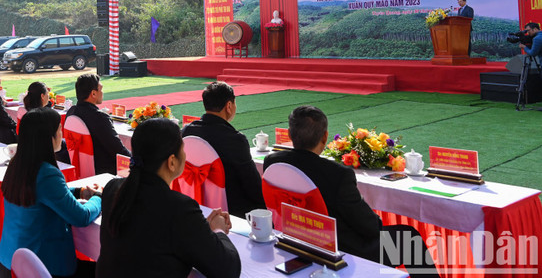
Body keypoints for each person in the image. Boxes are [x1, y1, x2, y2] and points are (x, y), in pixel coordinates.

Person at [263, 106, 439, 277]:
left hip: (294, 236)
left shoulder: (272, 161)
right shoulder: (338, 174)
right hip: (340, 249)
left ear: (290, 133)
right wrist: (376, 223)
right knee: (408, 238)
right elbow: (369, 227)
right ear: (325, 137)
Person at [97, 118, 241, 278]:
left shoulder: (113, 189)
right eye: (183, 149)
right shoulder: (179, 208)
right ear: (172, 162)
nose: (185, 156)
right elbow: (228, 270)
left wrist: (199, 228)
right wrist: (218, 229)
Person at [0, 107, 101, 278]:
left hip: (8, 263)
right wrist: (98, 198)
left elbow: (43, 193)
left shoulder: (18, 164)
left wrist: (79, 192)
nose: (62, 135)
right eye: (59, 130)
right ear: (48, 137)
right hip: (40, 267)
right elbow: (80, 217)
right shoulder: (46, 172)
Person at [182, 81, 265, 217]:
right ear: (229, 106)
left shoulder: (186, 131)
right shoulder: (235, 139)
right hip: (230, 208)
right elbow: (252, 185)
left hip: (195, 199)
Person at [66, 73, 130, 174]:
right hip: (104, 172)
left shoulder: (71, 112)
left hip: (79, 167)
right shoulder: (99, 117)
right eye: (101, 89)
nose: (102, 92)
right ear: (93, 94)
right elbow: (118, 151)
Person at [23, 81, 71, 163]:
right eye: (47, 94)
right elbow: (54, 144)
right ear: (42, 96)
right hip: (48, 151)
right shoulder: (49, 116)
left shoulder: (27, 114)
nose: (48, 97)